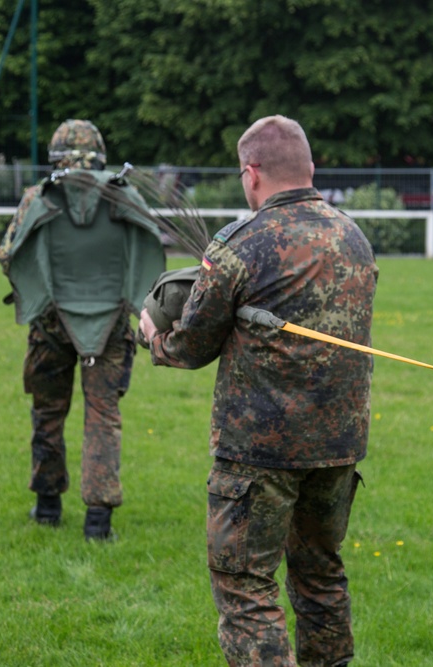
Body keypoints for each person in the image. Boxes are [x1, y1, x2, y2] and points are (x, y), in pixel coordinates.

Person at [139, 115, 378, 667]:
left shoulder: (240, 244)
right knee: (321, 574)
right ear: (309, 168)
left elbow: (193, 345)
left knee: (245, 587)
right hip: (337, 447)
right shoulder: (353, 236)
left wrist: (155, 337)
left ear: (251, 175)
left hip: (257, 453)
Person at [0, 119, 165, 540]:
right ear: (101, 155)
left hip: (50, 325)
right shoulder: (126, 196)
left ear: (56, 155)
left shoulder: (38, 197)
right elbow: (150, 251)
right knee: (103, 417)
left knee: (48, 413)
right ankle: (98, 521)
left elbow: (7, 255)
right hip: (112, 327)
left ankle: (48, 506)